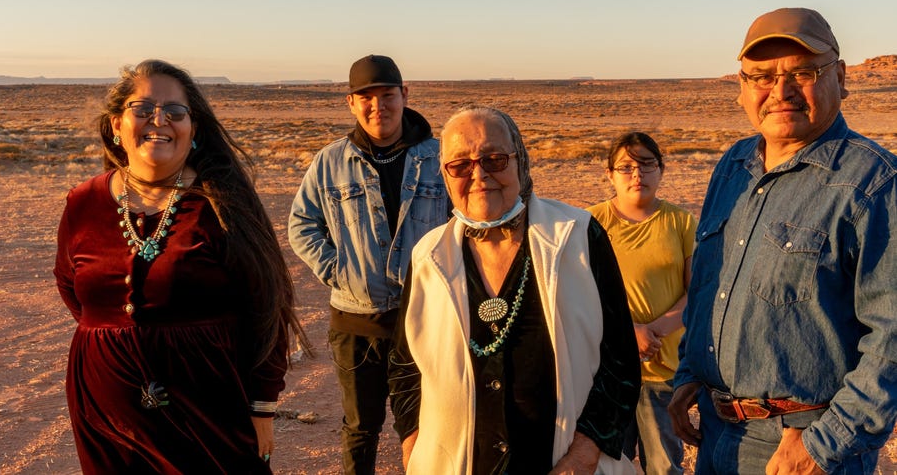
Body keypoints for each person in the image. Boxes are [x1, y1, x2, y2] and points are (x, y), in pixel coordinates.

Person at [669, 7, 897, 474]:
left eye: (803, 72)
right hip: (716, 433)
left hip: (803, 445)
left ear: (840, 76)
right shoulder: (732, 167)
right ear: (741, 87)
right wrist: (689, 372)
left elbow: (893, 339)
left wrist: (824, 445)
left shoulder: (874, 184)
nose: (781, 92)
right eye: (761, 77)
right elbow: (710, 284)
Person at [54, 59, 307, 473]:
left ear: (194, 130)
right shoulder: (83, 202)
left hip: (207, 407)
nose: (160, 120)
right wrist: (114, 340)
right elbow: (70, 285)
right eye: (143, 109)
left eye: (176, 112)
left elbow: (267, 306)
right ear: (117, 125)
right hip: (105, 408)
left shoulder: (223, 205)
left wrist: (262, 407)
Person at [388, 105, 641, 474]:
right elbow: (405, 364)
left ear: (520, 162)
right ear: (445, 176)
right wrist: (414, 446)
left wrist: (584, 457)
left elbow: (620, 361)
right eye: (460, 165)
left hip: (563, 464)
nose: (479, 174)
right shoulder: (428, 255)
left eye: (494, 158)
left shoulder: (578, 236)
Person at [288, 54, 450, 474]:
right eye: (367, 97)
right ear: (351, 102)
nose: (378, 106)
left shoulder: (439, 157)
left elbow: (462, 223)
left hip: (424, 318)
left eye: (387, 95)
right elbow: (302, 224)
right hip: (357, 323)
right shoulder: (330, 162)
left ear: (404, 95)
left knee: (424, 425)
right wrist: (339, 272)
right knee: (361, 427)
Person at [587, 132, 695, 474]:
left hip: (662, 371)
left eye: (647, 164)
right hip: (605, 372)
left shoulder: (681, 222)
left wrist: (652, 333)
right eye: (626, 166)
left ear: (661, 170)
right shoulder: (590, 224)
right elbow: (579, 294)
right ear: (610, 174)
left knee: (664, 465)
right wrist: (629, 332)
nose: (638, 174)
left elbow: (696, 292)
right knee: (605, 464)